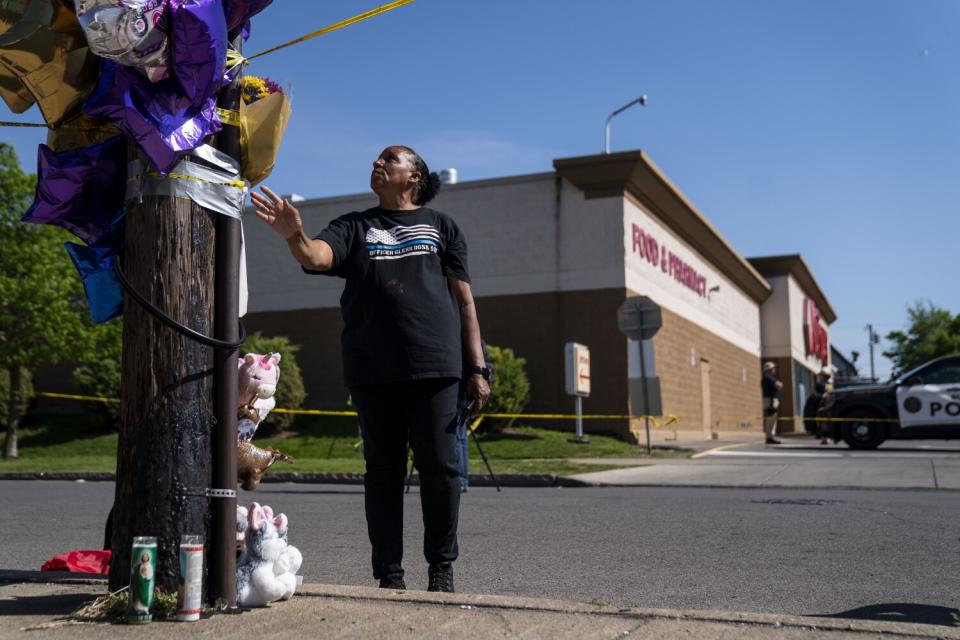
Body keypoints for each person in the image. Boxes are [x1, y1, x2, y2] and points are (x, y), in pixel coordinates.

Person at [252, 145, 490, 593]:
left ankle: (441, 569)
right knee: (383, 473)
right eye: (376, 159)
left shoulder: (442, 227)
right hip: (372, 368)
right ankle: (390, 575)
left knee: (441, 470)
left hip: (437, 366)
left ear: (414, 176)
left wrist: (476, 366)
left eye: (390, 159)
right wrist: (293, 236)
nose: (378, 163)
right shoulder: (355, 225)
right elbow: (317, 257)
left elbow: (465, 301)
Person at [761, 361, 783, 444]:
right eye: (773, 368)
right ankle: (771, 437)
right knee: (772, 419)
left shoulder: (765, 378)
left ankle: (769, 437)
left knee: (770, 419)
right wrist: (779, 385)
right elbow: (779, 385)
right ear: (769, 369)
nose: (774, 369)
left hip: (768, 399)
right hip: (771, 400)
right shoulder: (769, 378)